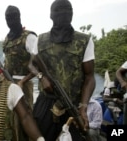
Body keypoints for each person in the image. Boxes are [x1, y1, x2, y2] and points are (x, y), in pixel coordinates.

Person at [28, 0, 96, 140]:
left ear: (72, 13)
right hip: (47, 102)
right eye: (58, 10)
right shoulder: (40, 39)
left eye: (68, 9)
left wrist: (83, 107)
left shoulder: (84, 40)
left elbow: (89, 77)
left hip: (74, 104)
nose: (64, 13)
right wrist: (41, 77)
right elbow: (31, 64)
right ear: (51, 15)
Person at [3, 5, 37, 110]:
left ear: (19, 17)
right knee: (10, 117)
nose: (10, 21)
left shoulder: (29, 37)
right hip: (8, 83)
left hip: (24, 84)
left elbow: (38, 65)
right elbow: (6, 62)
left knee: (26, 115)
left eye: (13, 17)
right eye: (8, 18)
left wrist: (22, 82)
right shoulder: (7, 39)